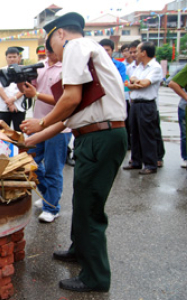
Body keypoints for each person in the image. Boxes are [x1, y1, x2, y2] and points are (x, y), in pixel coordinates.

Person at [22, 12, 127, 292]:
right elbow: (68, 119)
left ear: (60, 34)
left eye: (50, 45)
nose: (51, 53)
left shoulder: (75, 47)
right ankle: (80, 250)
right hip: (94, 135)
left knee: (90, 206)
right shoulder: (86, 53)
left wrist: (40, 121)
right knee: (82, 198)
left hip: (100, 137)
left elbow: (70, 100)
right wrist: (31, 140)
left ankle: (96, 277)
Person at [18, 48, 71, 223]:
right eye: (46, 50)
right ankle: (50, 194)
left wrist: (37, 94)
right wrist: (19, 80)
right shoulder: (40, 67)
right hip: (38, 125)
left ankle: (52, 208)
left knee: (53, 169)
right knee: (30, 162)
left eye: (51, 50)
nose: (48, 54)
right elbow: (28, 90)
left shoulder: (67, 68)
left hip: (58, 127)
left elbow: (65, 101)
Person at [123, 41, 163, 175]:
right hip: (134, 103)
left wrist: (135, 82)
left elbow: (145, 83)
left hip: (147, 104)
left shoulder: (155, 67)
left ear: (144, 52)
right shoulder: (138, 67)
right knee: (134, 133)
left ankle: (151, 164)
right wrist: (135, 83)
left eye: (137, 51)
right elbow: (129, 83)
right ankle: (136, 161)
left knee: (147, 135)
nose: (134, 54)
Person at [0, 46, 26, 130]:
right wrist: (9, 103)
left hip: (19, 107)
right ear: (6, 58)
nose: (12, 59)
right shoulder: (1, 71)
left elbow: (25, 89)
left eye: (14, 57)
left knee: (19, 134)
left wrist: (13, 99)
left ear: (19, 58)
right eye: (9, 57)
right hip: (3, 107)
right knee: (2, 132)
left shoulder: (23, 70)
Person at [167, 64, 187, 168]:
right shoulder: (184, 68)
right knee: (185, 134)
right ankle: (186, 157)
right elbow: (172, 83)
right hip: (184, 107)